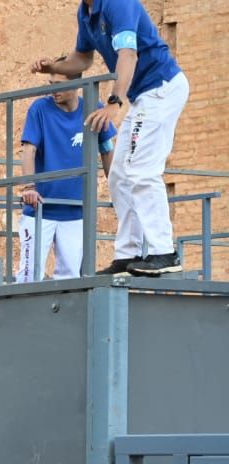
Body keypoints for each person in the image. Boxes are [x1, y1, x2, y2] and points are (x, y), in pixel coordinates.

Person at [32, 0, 188, 276]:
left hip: (162, 88)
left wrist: (115, 103)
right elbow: (82, 59)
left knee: (142, 170)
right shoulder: (86, 13)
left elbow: (128, 54)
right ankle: (127, 254)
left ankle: (164, 251)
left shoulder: (118, 4)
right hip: (142, 97)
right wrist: (52, 67)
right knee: (118, 174)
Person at [14, 72, 116, 283]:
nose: (53, 90)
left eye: (59, 85)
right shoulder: (40, 108)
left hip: (75, 211)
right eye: (51, 84)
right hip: (40, 209)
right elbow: (28, 149)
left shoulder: (92, 107)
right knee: (28, 275)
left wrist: (117, 190)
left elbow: (106, 149)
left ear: (76, 83)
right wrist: (28, 187)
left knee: (70, 277)